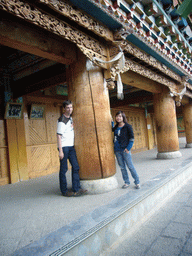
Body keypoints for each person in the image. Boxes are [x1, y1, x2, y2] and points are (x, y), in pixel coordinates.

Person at [57, 100, 87, 197]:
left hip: (71, 146)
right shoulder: (62, 120)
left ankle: (76, 188)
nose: (70, 109)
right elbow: (58, 136)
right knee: (64, 169)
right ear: (64, 109)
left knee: (76, 166)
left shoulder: (70, 119)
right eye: (68, 108)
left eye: (71, 107)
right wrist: (60, 151)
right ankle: (64, 191)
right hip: (64, 147)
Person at [112, 111, 140, 189]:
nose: (118, 118)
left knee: (130, 166)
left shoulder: (128, 126)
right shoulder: (116, 127)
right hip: (117, 150)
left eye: (120, 116)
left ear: (123, 117)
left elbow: (132, 138)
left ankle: (137, 182)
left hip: (125, 150)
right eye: (117, 116)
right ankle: (126, 182)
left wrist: (128, 148)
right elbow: (112, 129)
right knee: (122, 167)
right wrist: (111, 122)